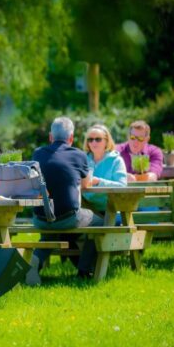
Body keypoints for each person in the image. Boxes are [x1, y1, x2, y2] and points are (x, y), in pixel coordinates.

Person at [26, 117, 100, 285]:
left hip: (40, 219)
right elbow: (86, 184)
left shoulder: (37, 153)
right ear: (71, 138)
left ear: (51, 137)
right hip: (68, 218)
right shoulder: (78, 155)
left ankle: (36, 259)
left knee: (53, 229)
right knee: (102, 223)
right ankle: (84, 269)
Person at [82, 125, 128, 226]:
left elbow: (122, 186)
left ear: (107, 141)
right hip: (86, 209)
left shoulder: (116, 160)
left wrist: (99, 181)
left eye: (98, 139)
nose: (93, 142)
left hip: (111, 210)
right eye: (90, 139)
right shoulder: (82, 159)